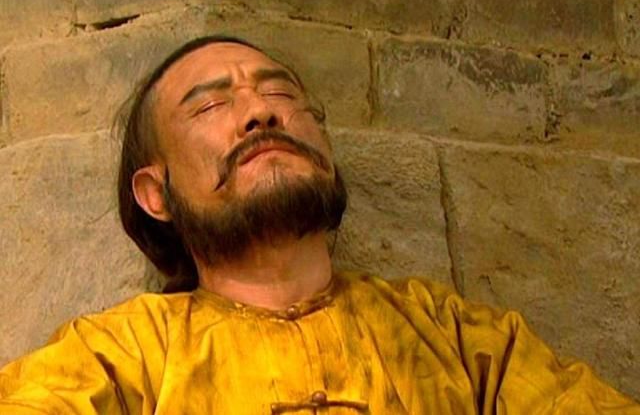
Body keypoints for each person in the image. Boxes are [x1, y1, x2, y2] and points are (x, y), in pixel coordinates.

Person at [0, 35, 638, 415]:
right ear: (155, 193)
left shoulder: (466, 342)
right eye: (213, 104)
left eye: (281, 94)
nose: (260, 112)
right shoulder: (114, 357)